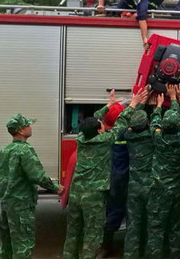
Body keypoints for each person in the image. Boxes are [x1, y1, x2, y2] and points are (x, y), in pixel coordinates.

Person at [62, 89, 144, 259]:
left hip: (77, 192)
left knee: (73, 233)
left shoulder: (81, 137)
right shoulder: (106, 140)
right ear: (100, 131)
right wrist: (134, 103)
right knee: (92, 236)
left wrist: (109, 104)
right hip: (93, 196)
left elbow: (95, 118)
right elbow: (121, 123)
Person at [0, 114, 64, 259]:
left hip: (7, 203)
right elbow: (37, 176)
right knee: (23, 245)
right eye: (28, 125)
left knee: (7, 245)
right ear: (21, 131)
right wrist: (56, 187)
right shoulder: (25, 151)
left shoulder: (4, 151)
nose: (30, 127)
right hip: (21, 205)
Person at [146, 85, 180, 258]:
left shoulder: (158, 137)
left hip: (159, 191)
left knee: (156, 228)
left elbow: (155, 121)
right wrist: (177, 98)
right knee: (176, 226)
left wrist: (158, 106)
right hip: (177, 191)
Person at [96, 0, 169, 49]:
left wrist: (144, 37)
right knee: (119, 10)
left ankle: (148, 10)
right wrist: (100, 5)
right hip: (128, 0)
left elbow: (142, 18)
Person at [99, 92, 129, 257]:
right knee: (126, 211)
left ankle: (106, 246)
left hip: (111, 179)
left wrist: (110, 105)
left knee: (112, 211)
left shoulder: (104, 135)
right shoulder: (124, 134)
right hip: (123, 180)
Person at [123, 108, 155, 259]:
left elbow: (127, 125)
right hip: (150, 187)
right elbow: (156, 125)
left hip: (134, 188)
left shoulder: (128, 136)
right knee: (152, 225)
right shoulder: (152, 136)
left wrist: (139, 103)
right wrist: (158, 107)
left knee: (133, 225)